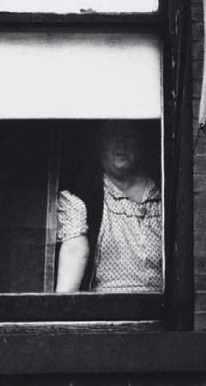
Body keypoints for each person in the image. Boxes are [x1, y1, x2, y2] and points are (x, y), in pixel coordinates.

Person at [55, 121, 162, 293]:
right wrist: (60, 312)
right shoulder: (83, 197)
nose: (120, 143)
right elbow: (74, 250)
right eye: (112, 136)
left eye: (128, 136)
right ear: (100, 145)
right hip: (108, 309)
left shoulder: (164, 195)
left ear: (140, 142)